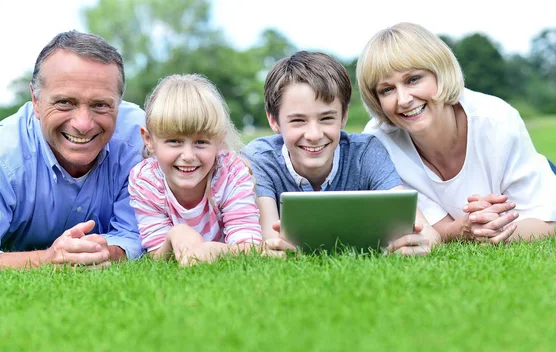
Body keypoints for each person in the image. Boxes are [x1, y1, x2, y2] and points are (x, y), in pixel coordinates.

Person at [0, 31, 146, 269]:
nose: (83, 124)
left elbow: (140, 231)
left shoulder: (143, 140)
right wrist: (45, 260)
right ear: (36, 102)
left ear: (119, 103)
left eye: (100, 105)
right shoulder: (1, 155)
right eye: (65, 102)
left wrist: (104, 253)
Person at [356, 22, 556, 244]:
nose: (403, 100)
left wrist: (494, 232)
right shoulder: (378, 142)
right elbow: (429, 228)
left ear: (440, 74)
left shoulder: (497, 120)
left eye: (413, 79)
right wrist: (465, 229)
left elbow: (548, 221)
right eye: (387, 90)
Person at [242, 51, 440, 256]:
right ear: (274, 121)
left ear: (344, 116)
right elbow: (269, 239)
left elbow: (427, 232)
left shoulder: (365, 153)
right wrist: (273, 248)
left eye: (327, 118)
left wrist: (421, 242)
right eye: (298, 121)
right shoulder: (259, 158)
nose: (314, 134)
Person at [128, 74, 262, 266]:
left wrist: (214, 250)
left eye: (201, 142)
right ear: (148, 140)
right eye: (174, 141)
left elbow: (249, 246)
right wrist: (175, 235)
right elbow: (157, 254)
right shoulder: (146, 180)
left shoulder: (230, 173)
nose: (188, 155)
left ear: (220, 141)